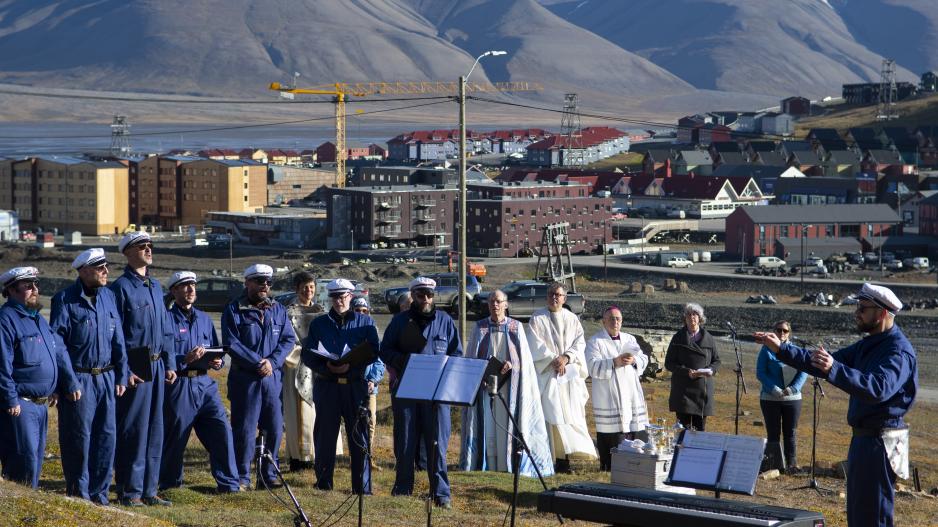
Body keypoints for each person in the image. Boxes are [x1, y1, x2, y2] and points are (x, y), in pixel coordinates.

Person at [756, 283, 917, 527]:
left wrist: (835, 368)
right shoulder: (868, 343)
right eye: (857, 307)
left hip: (882, 443)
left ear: (883, 313)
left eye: (863, 308)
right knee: (858, 513)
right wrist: (783, 350)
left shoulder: (897, 352)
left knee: (873, 516)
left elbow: (878, 388)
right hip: (864, 440)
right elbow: (820, 362)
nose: (857, 313)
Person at [50, 248, 128, 505]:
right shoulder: (65, 299)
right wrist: (69, 380)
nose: (106, 271)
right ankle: (79, 494)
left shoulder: (109, 297)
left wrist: (122, 373)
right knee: (79, 439)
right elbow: (58, 344)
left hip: (106, 378)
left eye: (106, 266)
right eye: (99, 267)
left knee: (107, 437)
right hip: (80, 380)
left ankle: (100, 494)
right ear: (84, 271)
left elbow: (118, 340)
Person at [380, 277, 461, 509]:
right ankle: (403, 489)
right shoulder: (399, 321)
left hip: (436, 393)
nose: (425, 299)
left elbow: (457, 352)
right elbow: (384, 350)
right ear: (413, 295)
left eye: (429, 295)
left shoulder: (445, 321)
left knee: (437, 443)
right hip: (406, 390)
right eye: (420, 294)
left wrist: (446, 369)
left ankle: (441, 493)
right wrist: (402, 360)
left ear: (433, 296)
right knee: (405, 440)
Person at [110, 231, 177, 507]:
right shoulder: (120, 288)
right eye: (141, 246)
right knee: (135, 429)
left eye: (149, 245)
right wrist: (124, 369)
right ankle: (130, 490)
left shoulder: (154, 286)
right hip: (136, 365)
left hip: (158, 365)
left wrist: (171, 362)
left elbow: (166, 330)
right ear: (127, 252)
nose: (148, 249)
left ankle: (150, 489)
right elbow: (116, 336)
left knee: (155, 428)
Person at [159, 271, 241, 494]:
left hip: (205, 386)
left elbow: (217, 352)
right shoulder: (165, 320)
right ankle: (170, 485)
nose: (191, 290)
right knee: (175, 438)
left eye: (193, 285)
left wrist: (216, 362)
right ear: (174, 291)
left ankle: (229, 484)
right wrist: (183, 359)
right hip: (180, 386)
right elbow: (160, 355)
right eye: (185, 286)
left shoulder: (204, 319)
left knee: (222, 432)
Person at [460, 289, 554, 478]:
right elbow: (471, 359)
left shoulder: (516, 327)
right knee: (486, 422)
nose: (495, 305)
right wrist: (483, 370)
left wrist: (513, 364)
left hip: (511, 386)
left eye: (498, 301)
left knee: (507, 422)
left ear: (506, 304)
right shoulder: (479, 328)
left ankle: (507, 462)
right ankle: (485, 462)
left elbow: (525, 362)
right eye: (491, 301)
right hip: (485, 387)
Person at [222, 264, 297, 490]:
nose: (265, 286)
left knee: (274, 428)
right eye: (259, 281)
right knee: (244, 430)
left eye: (268, 282)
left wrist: (272, 362)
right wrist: (257, 362)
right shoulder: (234, 309)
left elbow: (288, 340)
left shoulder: (278, 310)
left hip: (272, 379)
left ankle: (267, 475)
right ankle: (242, 477)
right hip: (246, 379)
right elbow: (231, 343)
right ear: (248, 283)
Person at [302, 279, 381, 493]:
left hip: (355, 386)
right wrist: (328, 367)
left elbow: (374, 351)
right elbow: (308, 355)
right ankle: (324, 483)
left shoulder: (365, 322)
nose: (339, 300)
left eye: (343, 296)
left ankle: (362, 487)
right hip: (328, 386)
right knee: (325, 436)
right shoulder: (319, 324)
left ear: (351, 296)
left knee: (359, 435)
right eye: (335, 296)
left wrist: (351, 367)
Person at [0, 267, 74, 488]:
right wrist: (10, 398)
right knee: (23, 460)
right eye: (28, 286)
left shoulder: (37, 318)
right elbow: (2, 364)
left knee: (36, 460)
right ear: (11, 291)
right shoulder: (6, 320)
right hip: (21, 405)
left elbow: (50, 355)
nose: (35, 290)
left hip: (41, 405)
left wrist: (54, 387)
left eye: (36, 285)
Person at [526, 282, 597, 473]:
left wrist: (566, 357)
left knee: (571, 416)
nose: (554, 298)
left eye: (558, 295)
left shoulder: (572, 318)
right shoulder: (537, 318)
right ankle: (550, 459)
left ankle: (568, 457)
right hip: (548, 375)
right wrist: (553, 359)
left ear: (564, 298)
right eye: (551, 294)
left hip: (568, 377)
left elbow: (579, 342)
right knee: (552, 415)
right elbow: (534, 344)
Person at [584, 306, 649, 471]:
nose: (615, 322)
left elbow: (643, 358)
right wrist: (614, 362)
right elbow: (591, 366)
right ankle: (610, 465)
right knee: (613, 431)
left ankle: (638, 464)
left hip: (630, 392)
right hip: (609, 396)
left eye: (618, 319)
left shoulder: (629, 338)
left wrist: (634, 360)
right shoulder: (595, 341)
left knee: (634, 426)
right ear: (603, 321)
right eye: (611, 319)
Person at [282, 271, 325, 472]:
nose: (309, 291)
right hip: (297, 366)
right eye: (304, 287)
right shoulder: (289, 312)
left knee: (317, 411)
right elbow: (287, 341)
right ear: (297, 290)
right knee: (298, 413)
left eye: (311, 287)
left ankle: (316, 454)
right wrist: (304, 353)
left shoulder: (321, 311)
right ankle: (298, 458)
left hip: (318, 367)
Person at [755, 320, 807, 473]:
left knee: (790, 432)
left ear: (789, 333)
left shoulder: (796, 350)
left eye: (785, 331)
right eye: (779, 330)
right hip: (770, 398)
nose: (782, 333)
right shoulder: (766, 350)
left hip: (792, 399)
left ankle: (791, 464)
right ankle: (773, 464)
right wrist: (773, 388)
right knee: (773, 433)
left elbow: (803, 370)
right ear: (774, 332)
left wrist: (794, 388)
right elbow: (760, 372)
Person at [664, 302, 720, 431]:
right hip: (683, 391)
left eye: (695, 314)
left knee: (699, 432)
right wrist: (686, 371)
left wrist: (711, 370)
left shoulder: (709, 338)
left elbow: (717, 361)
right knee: (682, 431)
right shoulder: (678, 338)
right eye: (689, 314)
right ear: (685, 318)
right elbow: (669, 363)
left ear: (700, 318)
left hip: (702, 390)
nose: (692, 317)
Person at [352, 296, 385, 471]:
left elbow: (380, 361)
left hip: (369, 387)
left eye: (364, 311)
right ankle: (355, 457)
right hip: (351, 383)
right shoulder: (348, 330)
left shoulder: (373, 330)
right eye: (357, 310)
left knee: (370, 421)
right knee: (353, 421)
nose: (361, 314)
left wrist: (373, 379)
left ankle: (368, 458)